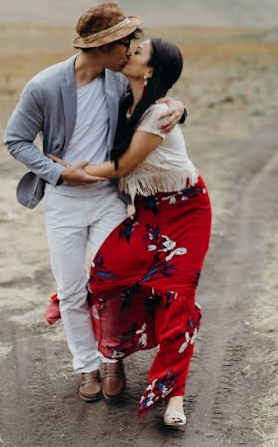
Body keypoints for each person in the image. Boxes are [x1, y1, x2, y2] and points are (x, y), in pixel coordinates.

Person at [4, 2, 185, 402]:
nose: (130, 52)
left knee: (114, 285)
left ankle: (112, 358)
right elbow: (14, 140)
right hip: (63, 201)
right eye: (125, 44)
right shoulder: (43, 87)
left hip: (108, 199)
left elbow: (155, 98)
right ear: (103, 47)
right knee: (71, 290)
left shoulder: (117, 82)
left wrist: (178, 106)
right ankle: (85, 366)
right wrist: (61, 172)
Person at [50, 37, 211, 427]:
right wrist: (181, 103)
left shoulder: (157, 114)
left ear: (150, 69)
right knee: (106, 277)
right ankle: (115, 349)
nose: (130, 53)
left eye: (138, 52)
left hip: (186, 211)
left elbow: (123, 165)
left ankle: (174, 397)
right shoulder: (125, 96)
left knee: (177, 299)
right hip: (149, 213)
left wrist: (71, 170)